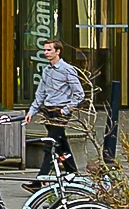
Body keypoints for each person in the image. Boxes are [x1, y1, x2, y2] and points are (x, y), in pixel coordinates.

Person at [25, 37, 88, 174]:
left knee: (50, 144)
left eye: (49, 50)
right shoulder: (47, 70)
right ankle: (73, 173)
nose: (46, 52)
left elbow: (79, 94)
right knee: (61, 143)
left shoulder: (67, 70)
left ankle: (40, 180)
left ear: (57, 51)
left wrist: (65, 110)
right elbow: (40, 93)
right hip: (49, 110)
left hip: (61, 111)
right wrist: (31, 111)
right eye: (45, 50)